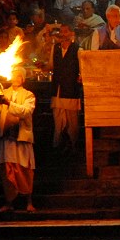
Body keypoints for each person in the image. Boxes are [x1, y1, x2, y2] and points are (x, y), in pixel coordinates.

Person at [0, 67, 37, 212]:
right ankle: (9, 202)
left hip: (21, 137)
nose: (16, 79)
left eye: (19, 76)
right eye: (14, 76)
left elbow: (25, 111)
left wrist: (8, 103)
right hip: (7, 137)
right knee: (7, 170)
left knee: (24, 169)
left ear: (23, 79)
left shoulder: (29, 95)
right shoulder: (3, 93)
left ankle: (28, 202)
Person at [49, 23, 80, 154]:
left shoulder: (78, 49)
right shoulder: (55, 48)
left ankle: (73, 145)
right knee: (58, 119)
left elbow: (82, 70)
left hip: (70, 89)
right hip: (57, 88)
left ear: (71, 33)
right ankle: (57, 145)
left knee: (72, 120)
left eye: (66, 31)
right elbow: (51, 66)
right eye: (61, 31)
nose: (63, 34)